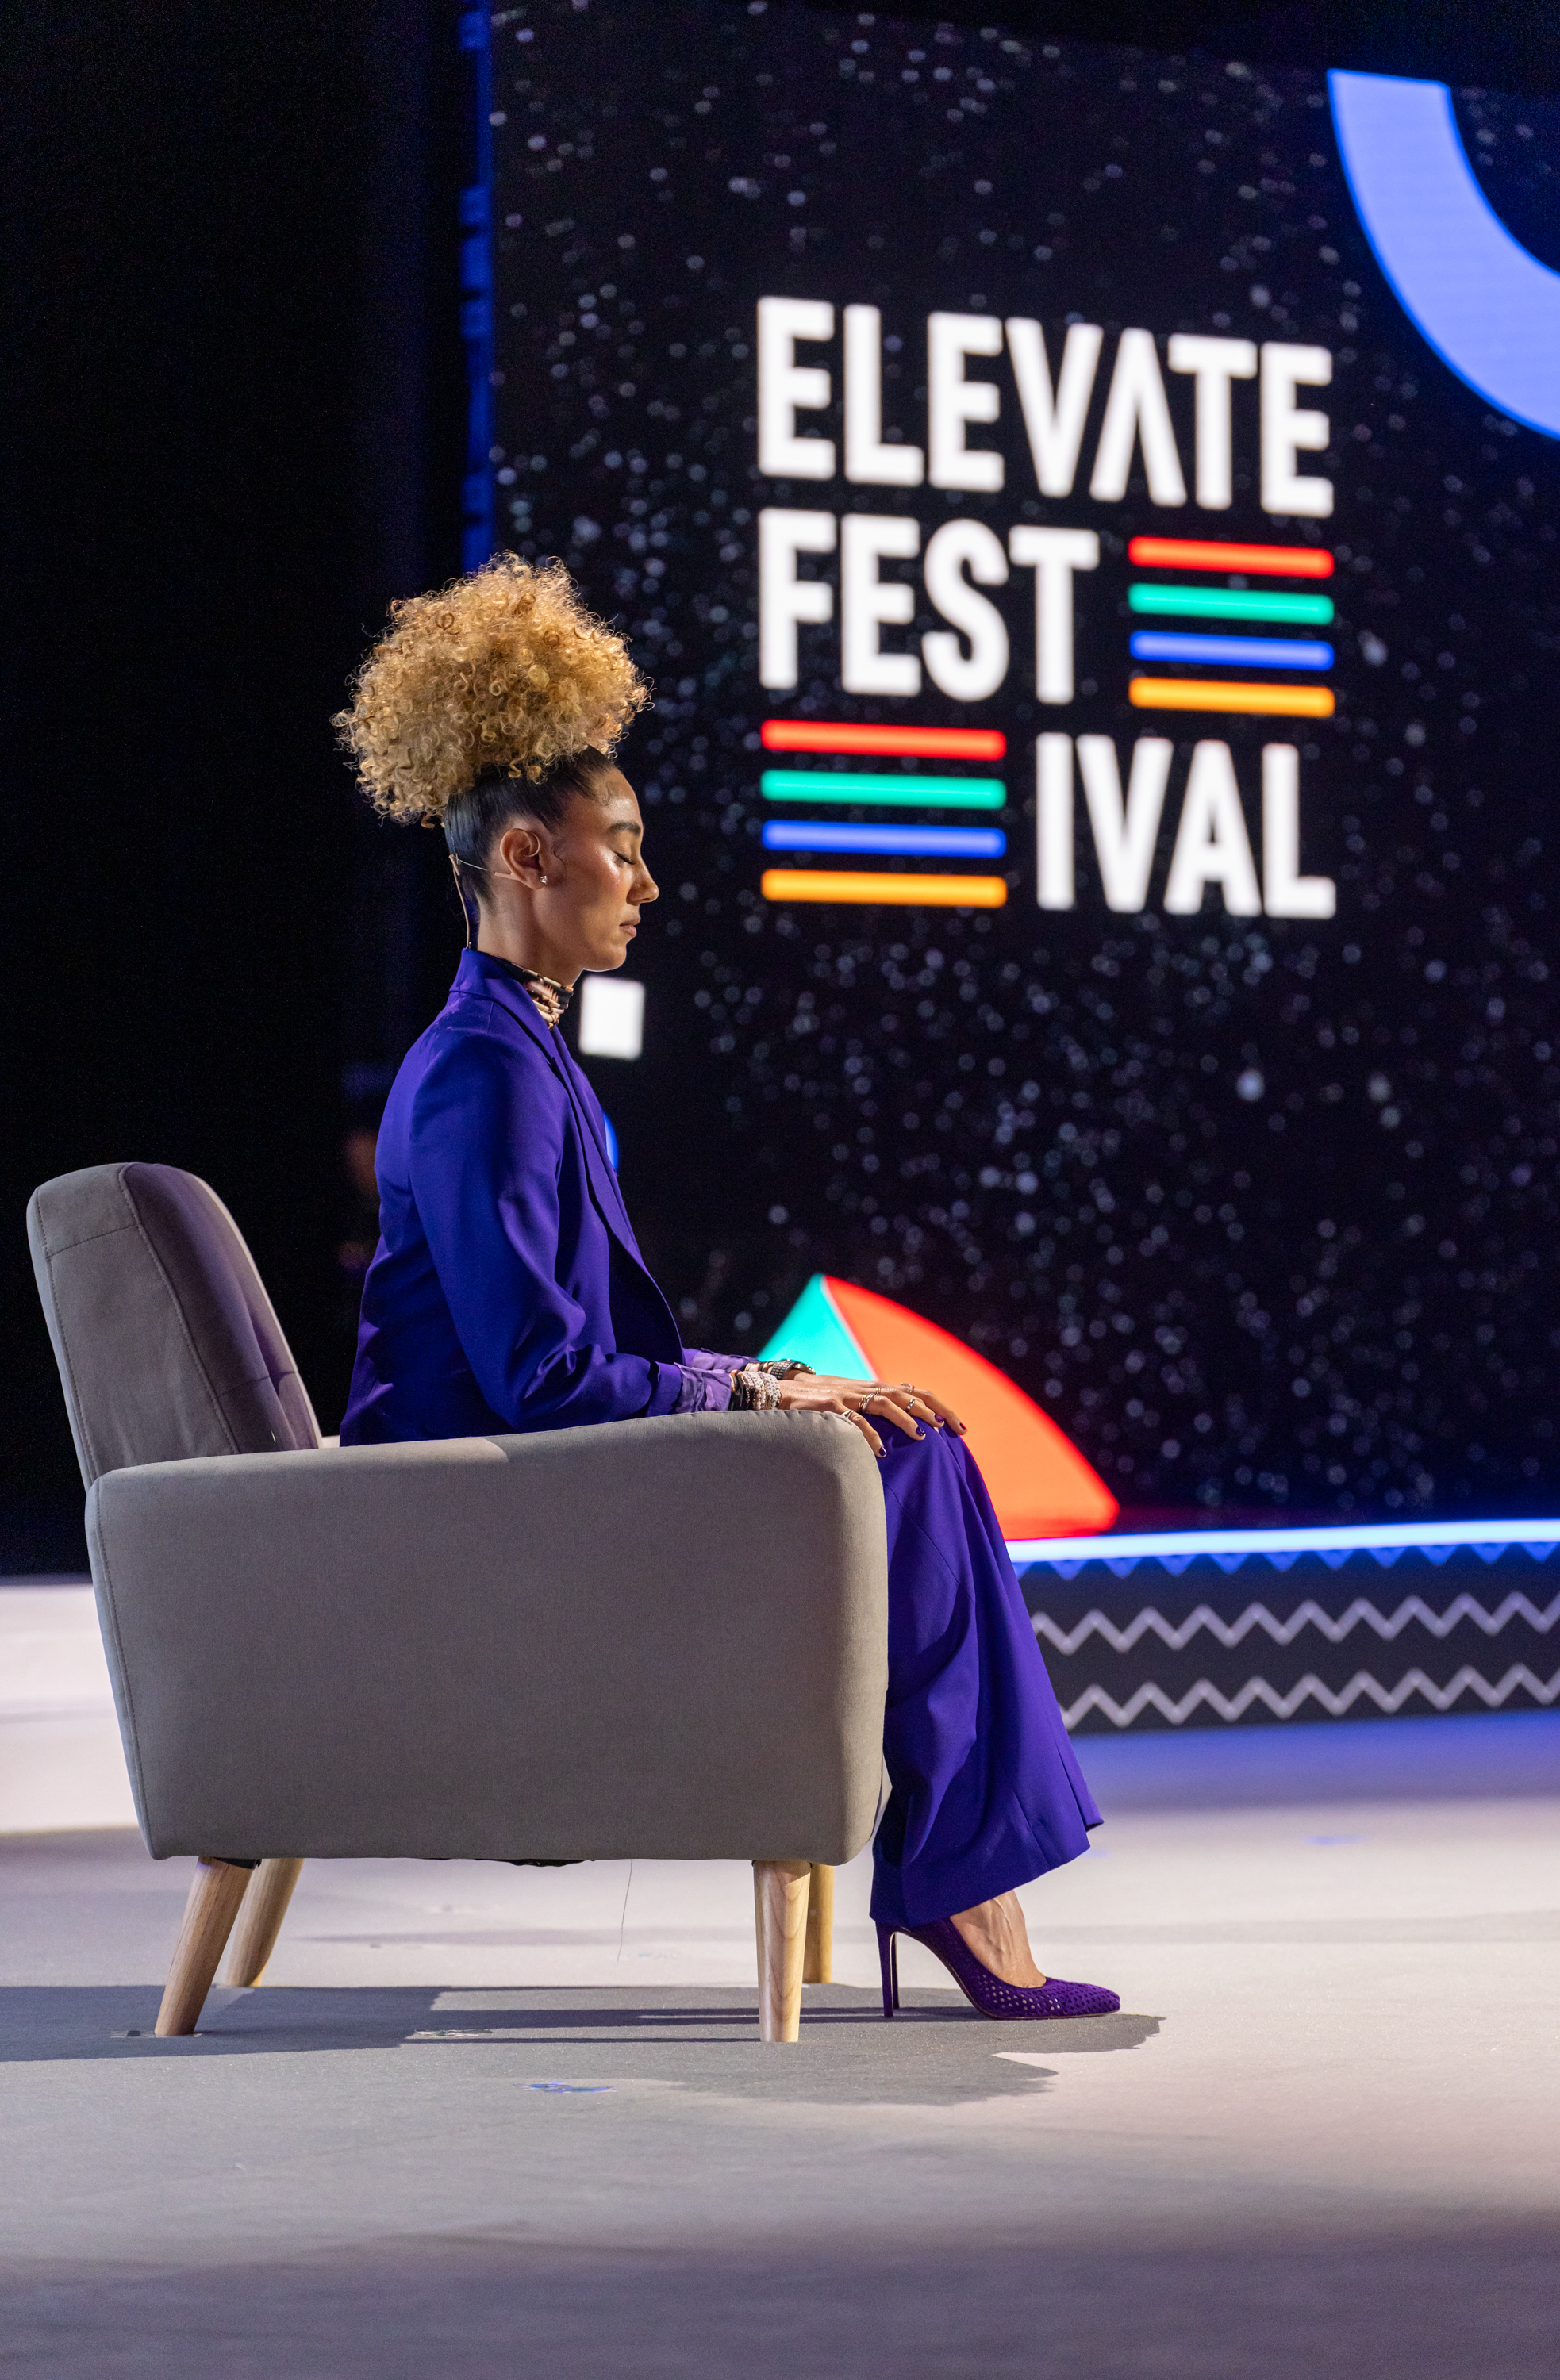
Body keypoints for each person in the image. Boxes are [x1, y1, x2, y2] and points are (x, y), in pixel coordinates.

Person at [335, 555, 1119, 2022]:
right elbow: (543, 1384)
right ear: (527, 857)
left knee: (904, 1435)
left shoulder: (521, 1053)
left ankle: (963, 1872)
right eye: (621, 849)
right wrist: (755, 1392)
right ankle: (962, 1883)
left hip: (535, 1482)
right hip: (484, 1522)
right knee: (907, 1453)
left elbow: (573, 1356)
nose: (646, 883)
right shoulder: (484, 1074)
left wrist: (771, 1386)